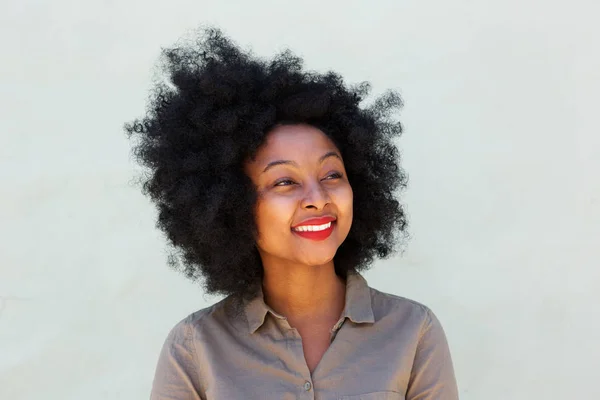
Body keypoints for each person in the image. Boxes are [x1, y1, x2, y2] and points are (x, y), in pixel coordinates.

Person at [125, 26, 459, 400]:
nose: (317, 198)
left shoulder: (413, 331)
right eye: (284, 182)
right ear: (229, 205)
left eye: (332, 174)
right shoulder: (195, 346)